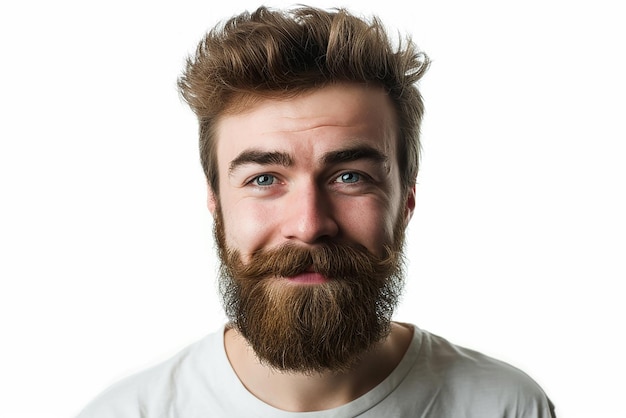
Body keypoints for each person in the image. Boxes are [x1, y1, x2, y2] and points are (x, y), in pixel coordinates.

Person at [77, 5, 556, 417]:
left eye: (350, 177)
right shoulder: (127, 412)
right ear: (215, 202)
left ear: (406, 201)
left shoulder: (505, 405)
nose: (309, 226)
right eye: (264, 179)